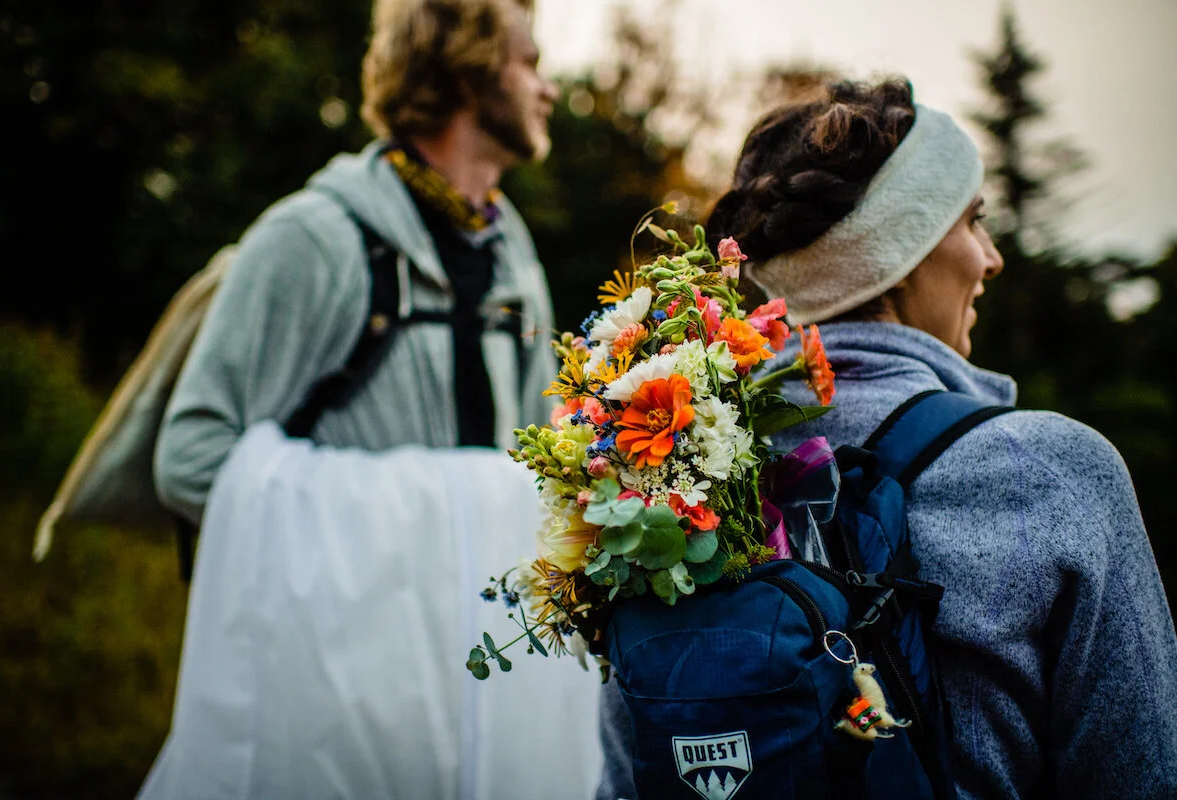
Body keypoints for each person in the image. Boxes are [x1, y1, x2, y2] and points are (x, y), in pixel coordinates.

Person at [597, 78, 1177, 799]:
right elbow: (1142, 776)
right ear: (903, 251)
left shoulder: (667, 490)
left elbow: (627, 780)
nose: (990, 258)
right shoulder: (1052, 473)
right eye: (973, 222)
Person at [138, 1, 602, 797]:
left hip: (479, 689)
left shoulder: (515, 257)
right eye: (529, 61)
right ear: (467, 64)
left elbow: (527, 469)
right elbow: (190, 458)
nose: (548, 87)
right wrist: (391, 543)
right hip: (332, 690)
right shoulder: (312, 238)